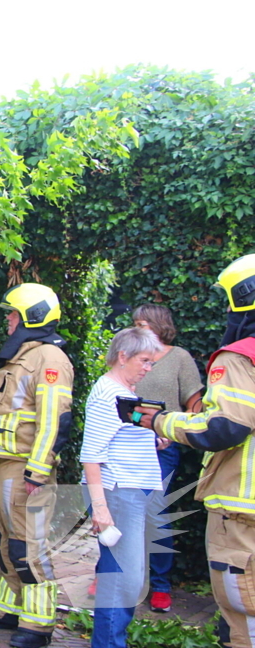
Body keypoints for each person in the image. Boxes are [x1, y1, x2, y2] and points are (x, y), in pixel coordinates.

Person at [139, 254, 255, 648]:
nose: (226, 310)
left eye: (228, 299)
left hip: (241, 507)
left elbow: (224, 424)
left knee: (241, 615)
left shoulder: (239, 357)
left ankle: (159, 587)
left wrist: (159, 421)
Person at [0, 283, 74, 648]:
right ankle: (7, 609)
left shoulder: (50, 359)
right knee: (2, 540)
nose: (8, 321)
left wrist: (38, 470)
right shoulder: (21, 357)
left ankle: (38, 625)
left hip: (24, 468)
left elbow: (54, 420)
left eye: (12, 314)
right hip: (2, 465)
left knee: (26, 545)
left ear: (32, 316)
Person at [80, 327, 164, 648]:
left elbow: (117, 441)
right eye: (144, 361)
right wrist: (100, 508)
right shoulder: (108, 395)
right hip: (118, 493)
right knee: (123, 582)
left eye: (152, 362)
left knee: (123, 577)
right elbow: (91, 455)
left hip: (128, 492)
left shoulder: (122, 392)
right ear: (122, 356)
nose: (148, 368)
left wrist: (154, 440)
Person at [131, 304, 203, 613]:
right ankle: (114, 575)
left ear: (160, 325)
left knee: (156, 512)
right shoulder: (131, 356)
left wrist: (176, 432)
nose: (137, 328)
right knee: (120, 507)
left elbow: (196, 404)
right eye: (134, 323)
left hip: (162, 447)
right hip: (128, 445)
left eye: (142, 323)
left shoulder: (180, 358)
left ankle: (159, 585)